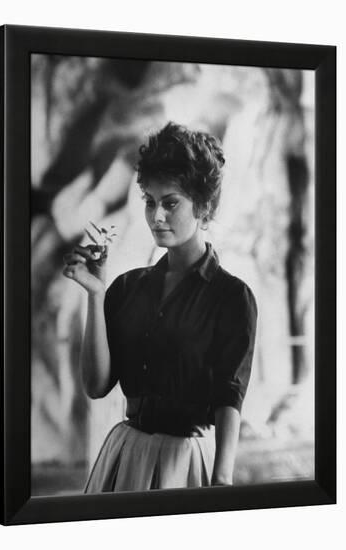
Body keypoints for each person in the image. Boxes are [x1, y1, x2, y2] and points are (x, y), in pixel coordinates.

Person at [63, 122, 257, 492]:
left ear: (204, 207)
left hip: (182, 464)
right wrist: (95, 294)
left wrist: (222, 478)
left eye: (170, 203)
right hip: (124, 456)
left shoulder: (232, 297)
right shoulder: (125, 287)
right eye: (150, 202)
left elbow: (229, 396)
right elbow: (95, 384)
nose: (157, 216)